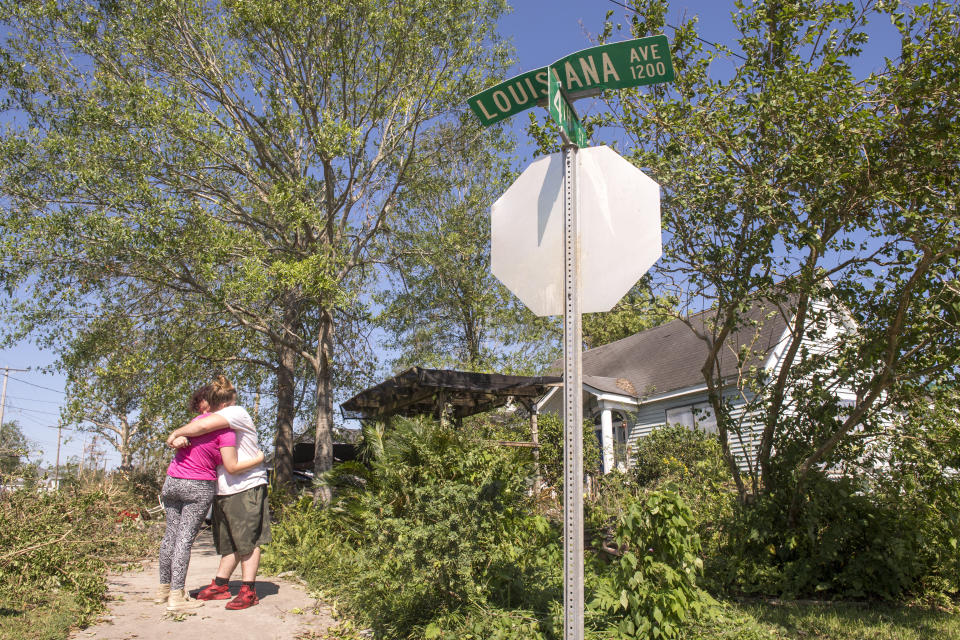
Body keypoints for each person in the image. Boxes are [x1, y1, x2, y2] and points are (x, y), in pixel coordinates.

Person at [155, 384, 265, 611]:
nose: (201, 409)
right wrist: (176, 435)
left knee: (246, 540)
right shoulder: (206, 425)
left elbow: (230, 464)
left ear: (217, 404)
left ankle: (248, 590)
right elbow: (199, 431)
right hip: (220, 488)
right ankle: (220, 585)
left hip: (245, 486)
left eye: (203, 402)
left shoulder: (234, 413)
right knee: (228, 541)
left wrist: (175, 434)